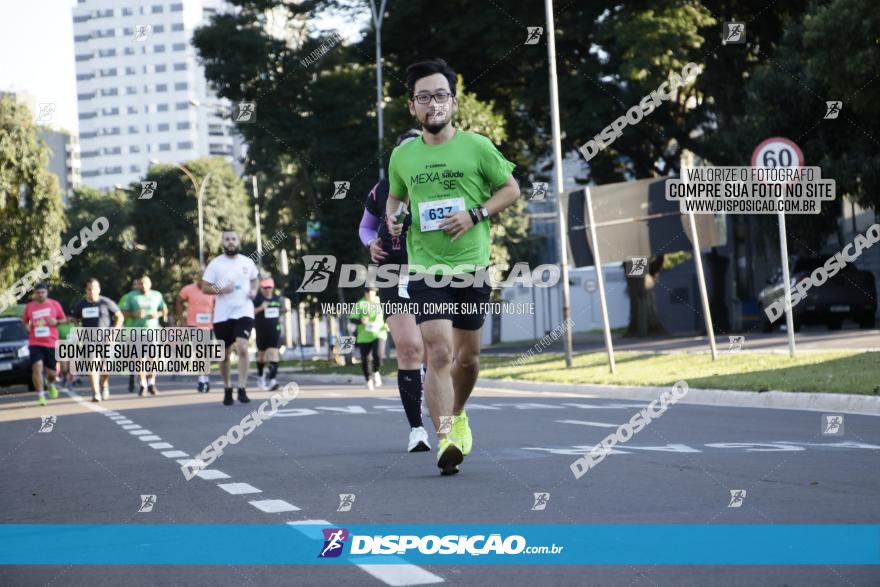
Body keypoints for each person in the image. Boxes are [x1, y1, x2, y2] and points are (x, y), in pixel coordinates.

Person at [386, 58, 521, 475]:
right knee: (438, 351)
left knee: (468, 359)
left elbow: (511, 188)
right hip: (427, 268)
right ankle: (445, 437)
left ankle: (458, 413)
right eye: (423, 97)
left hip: (473, 266)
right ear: (412, 107)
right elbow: (395, 197)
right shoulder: (402, 157)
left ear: (454, 102)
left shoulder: (478, 147)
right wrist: (393, 215)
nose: (433, 104)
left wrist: (476, 214)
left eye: (440, 95)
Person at [359, 129, 431, 452]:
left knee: (436, 350)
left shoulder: (434, 183)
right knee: (409, 348)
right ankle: (416, 429)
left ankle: (435, 389)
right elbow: (365, 227)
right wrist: (370, 243)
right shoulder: (381, 190)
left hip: (431, 269)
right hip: (392, 271)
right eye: (402, 152)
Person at [202, 229, 259, 406]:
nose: (231, 242)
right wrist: (221, 289)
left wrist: (254, 290)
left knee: (242, 347)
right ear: (222, 243)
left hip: (244, 311)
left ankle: (242, 387)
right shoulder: (215, 264)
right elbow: (205, 288)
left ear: (238, 242)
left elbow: (255, 279)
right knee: (224, 355)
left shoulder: (247, 262)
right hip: (222, 315)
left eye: (234, 239)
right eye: (227, 239)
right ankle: (227, 387)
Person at [70, 278, 124, 401]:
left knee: (105, 368)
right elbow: (75, 319)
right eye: (89, 289)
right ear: (86, 290)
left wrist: (114, 332)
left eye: (94, 289)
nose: (92, 291)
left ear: (98, 290)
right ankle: (96, 393)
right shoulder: (81, 304)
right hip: (90, 340)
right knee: (93, 365)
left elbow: (119, 317)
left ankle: (104, 385)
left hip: (106, 340)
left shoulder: (106, 302)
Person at [120, 275, 168, 396]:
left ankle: (151, 382)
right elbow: (123, 312)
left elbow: (164, 310)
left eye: (145, 283)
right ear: (138, 284)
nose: (143, 286)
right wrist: (134, 313)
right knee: (140, 359)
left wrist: (158, 314)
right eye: (141, 283)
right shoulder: (131, 296)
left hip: (153, 331)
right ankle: (143, 384)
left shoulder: (157, 295)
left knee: (153, 358)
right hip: (136, 332)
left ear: (150, 284)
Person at [21, 284, 66, 406]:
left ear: (46, 292)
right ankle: (41, 396)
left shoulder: (54, 304)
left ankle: (50, 384)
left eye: (42, 292)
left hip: (50, 342)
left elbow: (64, 319)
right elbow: (24, 321)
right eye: (38, 292)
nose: (40, 294)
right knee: (37, 367)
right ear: (35, 293)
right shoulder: (30, 307)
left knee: (51, 373)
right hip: (35, 342)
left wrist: (56, 321)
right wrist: (27, 327)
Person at [176, 270, 216, 393]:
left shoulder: (213, 290)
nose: (202, 281)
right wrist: (182, 320)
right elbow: (178, 301)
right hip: (193, 324)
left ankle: (206, 378)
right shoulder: (188, 289)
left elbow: (219, 304)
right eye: (200, 278)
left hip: (209, 325)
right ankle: (201, 379)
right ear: (196, 278)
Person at [349, 287, 387, 391]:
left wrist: (388, 323)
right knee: (365, 359)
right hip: (364, 336)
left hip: (379, 333)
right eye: (367, 291)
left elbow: (388, 314)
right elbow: (352, 318)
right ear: (365, 293)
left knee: (378, 355)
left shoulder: (381, 301)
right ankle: (368, 380)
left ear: (375, 292)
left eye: (372, 291)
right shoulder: (360, 304)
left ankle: (376, 372)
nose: (370, 293)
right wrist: (360, 320)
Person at [253, 276, 286, 391]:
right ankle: (261, 376)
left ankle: (272, 380)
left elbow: (279, 310)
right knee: (261, 356)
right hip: (261, 330)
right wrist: (261, 308)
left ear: (273, 287)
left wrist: (283, 310)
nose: (267, 289)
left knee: (274, 353)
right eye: (265, 287)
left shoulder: (276, 298)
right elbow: (250, 312)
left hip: (275, 330)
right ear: (261, 288)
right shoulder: (257, 298)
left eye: (269, 287)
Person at [118, 278, 141, 393]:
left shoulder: (149, 296)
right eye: (135, 284)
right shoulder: (127, 297)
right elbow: (119, 313)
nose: (138, 286)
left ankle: (144, 380)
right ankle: (132, 376)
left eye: (139, 284)